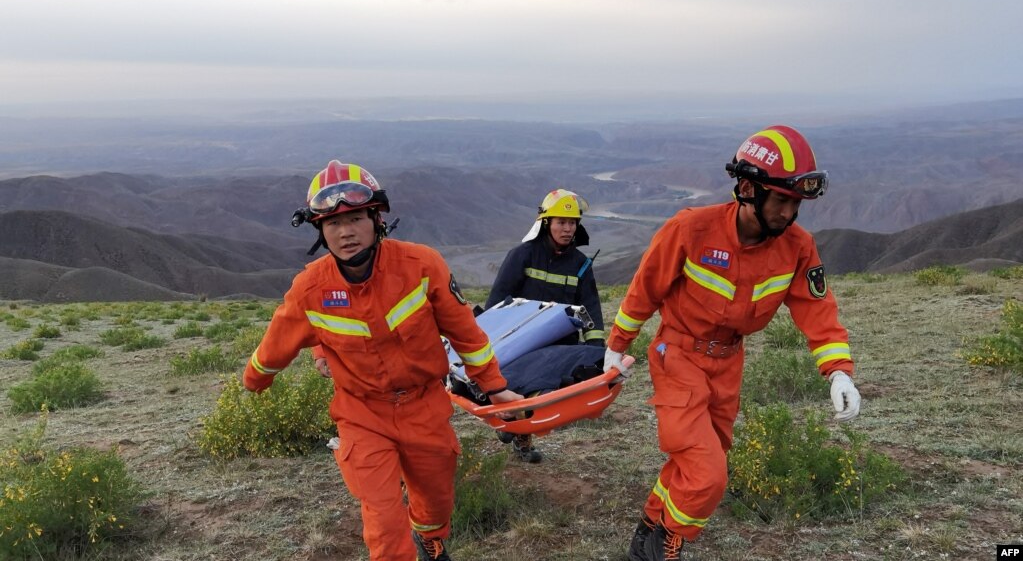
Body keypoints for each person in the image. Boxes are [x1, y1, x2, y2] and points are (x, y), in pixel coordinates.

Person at [602, 126, 862, 561]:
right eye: (781, 200)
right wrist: (616, 345)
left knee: (696, 462)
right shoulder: (690, 229)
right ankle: (666, 547)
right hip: (677, 356)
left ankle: (649, 529)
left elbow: (818, 311)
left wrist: (838, 371)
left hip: (728, 365)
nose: (789, 213)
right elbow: (643, 290)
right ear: (746, 189)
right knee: (707, 474)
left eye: (796, 203)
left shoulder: (798, 248)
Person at [243, 160, 523, 561]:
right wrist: (254, 380)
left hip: (425, 406)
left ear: (376, 218)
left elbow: (466, 334)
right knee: (384, 517)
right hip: (362, 414)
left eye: (355, 217)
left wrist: (494, 387)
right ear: (320, 231)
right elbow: (276, 343)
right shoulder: (310, 289)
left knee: (436, 499)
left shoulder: (422, 266)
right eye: (332, 223)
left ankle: (431, 541)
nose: (345, 231)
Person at [483, 188, 606, 463]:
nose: (567, 228)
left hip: (560, 344)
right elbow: (497, 301)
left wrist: (596, 348)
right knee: (520, 388)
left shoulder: (581, 265)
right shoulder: (523, 255)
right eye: (561, 222)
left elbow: (591, 306)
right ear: (546, 223)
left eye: (572, 223)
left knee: (543, 393)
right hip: (520, 340)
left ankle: (518, 429)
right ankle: (518, 434)